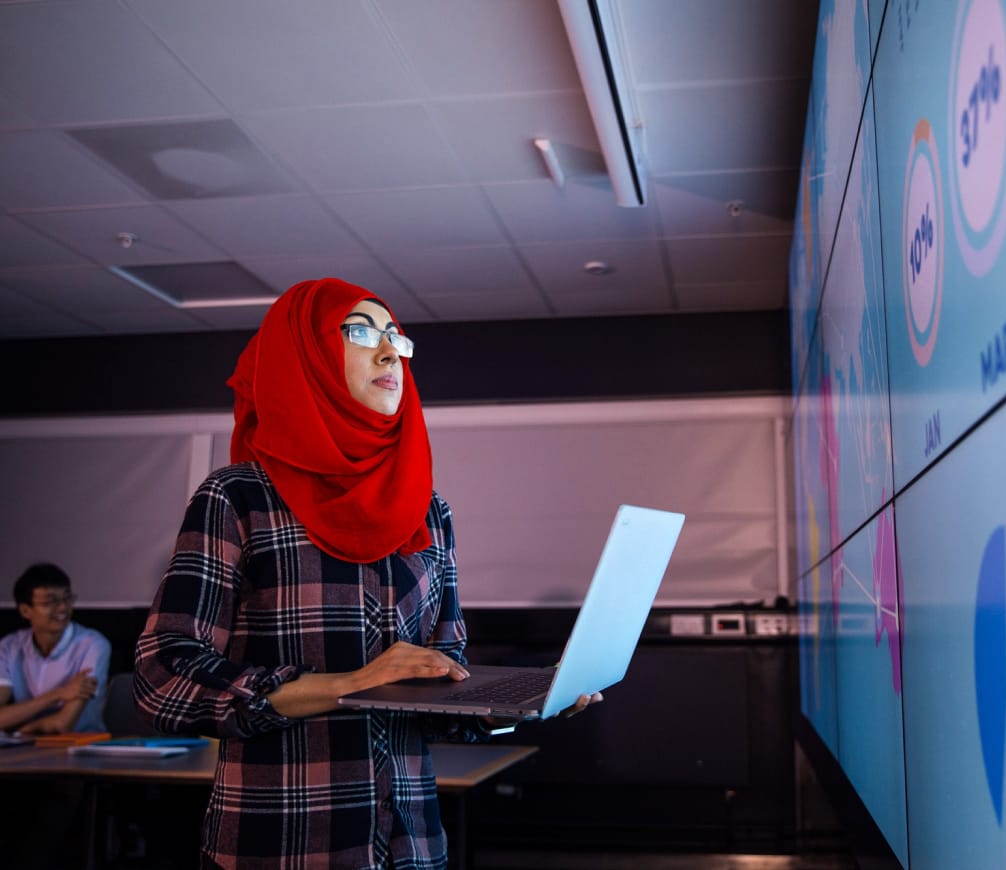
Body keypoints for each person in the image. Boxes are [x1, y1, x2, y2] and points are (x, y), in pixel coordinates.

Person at [134, 277, 598, 870]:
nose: (388, 352)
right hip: (281, 845)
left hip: (413, 847)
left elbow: (437, 680)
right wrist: (347, 684)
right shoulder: (239, 497)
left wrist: (500, 705)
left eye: (396, 338)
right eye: (359, 332)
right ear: (306, 356)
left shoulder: (430, 510)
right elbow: (160, 678)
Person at [0, 562, 110, 734]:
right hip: (23, 749)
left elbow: (61, 725)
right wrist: (58, 694)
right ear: (25, 610)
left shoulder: (92, 644)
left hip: (79, 747)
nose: (63, 608)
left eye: (67, 599)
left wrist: (19, 732)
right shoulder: (9, 647)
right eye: (50, 602)